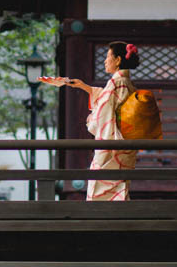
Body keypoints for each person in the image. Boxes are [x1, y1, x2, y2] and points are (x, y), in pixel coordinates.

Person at [43, 41, 139, 201]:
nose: (105, 60)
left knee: (102, 191)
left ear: (118, 60)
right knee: (116, 190)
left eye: (108, 56)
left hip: (111, 146)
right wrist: (83, 86)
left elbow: (106, 114)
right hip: (121, 145)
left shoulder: (117, 83)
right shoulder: (125, 82)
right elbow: (108, 101)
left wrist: (92, 119)